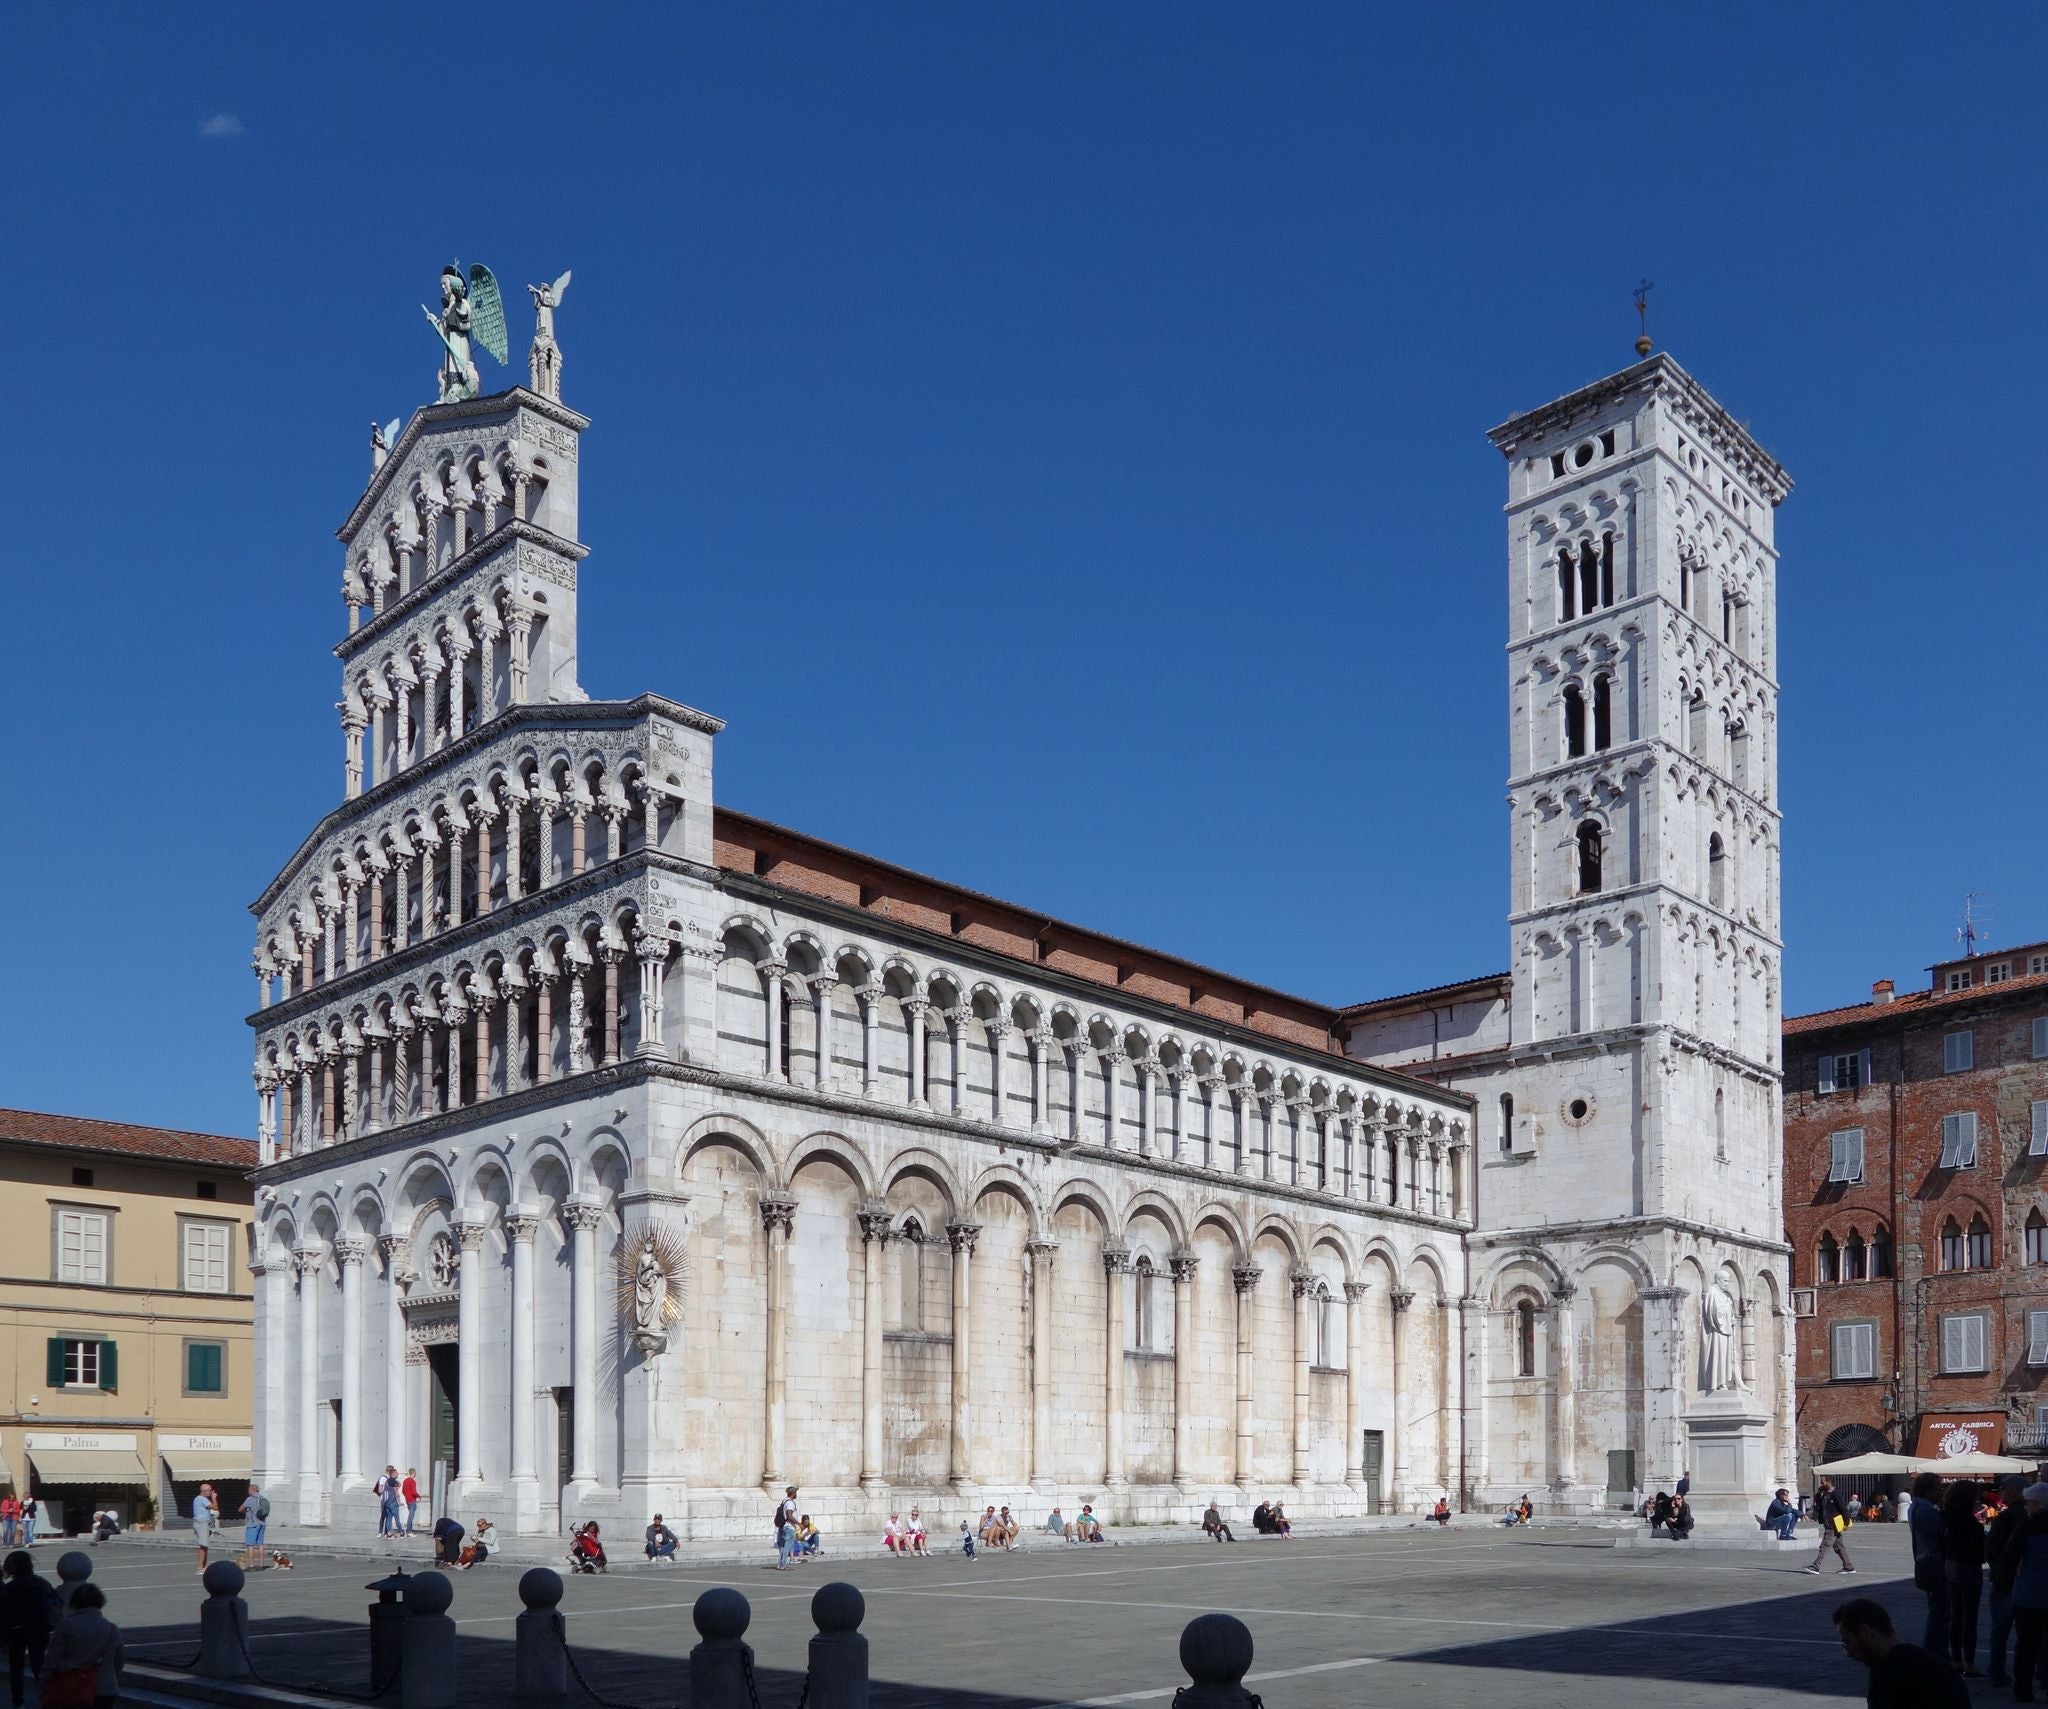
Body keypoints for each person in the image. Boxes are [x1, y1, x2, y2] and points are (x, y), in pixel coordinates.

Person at [1832, 1597, 1969, 1709]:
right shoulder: (1935, 1662)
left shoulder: (1887, 1672)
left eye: (1847, 1642)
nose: (1848, 1653)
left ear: (1865, 1632)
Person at [1998, 1481, 2048, 1700]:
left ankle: (2023, 1690)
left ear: (2036, 1505)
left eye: (2027, 1502)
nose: (2025, 1506)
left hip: (2029, 1595)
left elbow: (2008, 1559)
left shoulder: (2026, 1527)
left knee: (2026, 1644)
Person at [39, 1583, 122, 1709]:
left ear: (75, 1602)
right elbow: (119, 1659)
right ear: (100, 1601)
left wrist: (42, 1683)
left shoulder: (66, 1626)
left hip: (70, 1687)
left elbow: (52, 1660)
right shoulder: (111, 1628)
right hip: (104, 1688)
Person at [1, 1550, 54, 1709]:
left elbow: (4, 1612)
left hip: (16, 1632)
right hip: (39, 1630)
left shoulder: (10, 1587)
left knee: (16, 1668)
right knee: (39, 1665)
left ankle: (18, 1701)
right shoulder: (41, 1583)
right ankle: (46, 1698)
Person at [1942, 1480, 1986, 1676]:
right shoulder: (1971, 1523)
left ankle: (1956, 1661)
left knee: (1956, 1617)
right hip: (1969, 1570)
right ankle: (1969, 1663)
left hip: (1950, 1567)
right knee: (1970, 1618)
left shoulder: (1945, 1517)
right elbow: (1979, 1552)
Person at [1987, 1476, 2027, 1686]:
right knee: (2029, 1633)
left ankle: (1997, 1671)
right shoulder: (2029, 1516)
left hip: (2005, 1582)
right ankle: (2033, 1674)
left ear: (2015, 1492)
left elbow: (1991, 1549)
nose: (2001, 1494)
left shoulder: (2007, 1518)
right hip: (2027, 1581)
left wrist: (1999, 1569)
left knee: (2000, 1630)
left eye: (2004, 1490)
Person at [1908, 1471, 1949, 1658]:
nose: (1941, 1492)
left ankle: (1936, 1649)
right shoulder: (1924, 1509)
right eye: (1938, 1488)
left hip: (1926, 1560)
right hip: (1932, 1562)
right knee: (1939, 1611)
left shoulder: (1918, 1506)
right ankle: (1935, 1651)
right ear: (1929, 1490)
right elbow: (1940, 1532)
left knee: (1938, 1609)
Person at [1804, 1476, 1856, 1576]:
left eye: (1823, 1482)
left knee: (1825, 1544)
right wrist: (1818, 1494)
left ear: (1829, 1482)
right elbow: (1818, 1505)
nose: (1821, 1484)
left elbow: (1843, 1508)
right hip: (1828, 1523)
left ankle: (1816, 1566)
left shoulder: (1836, 1493)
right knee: (1839, 1547)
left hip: (1833, 1524)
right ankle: (1848, 1567)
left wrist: (1846, 1522)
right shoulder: (1825, 1494)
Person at [239, 1485, 269, 1570]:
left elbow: (240, 1509)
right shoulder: (263, 1498)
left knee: (250, 1545)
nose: (248, 1492)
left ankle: (251, 1565)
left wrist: (246, 1510)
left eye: (249, 1490)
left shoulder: (250, 1499)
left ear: (253, 1490)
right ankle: (261, 1565)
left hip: (252, 1524)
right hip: (262, 1523)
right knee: (260, 1544)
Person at [191, 1484, 216, 1576]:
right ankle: (200, 1567)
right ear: (203, 1491)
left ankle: (204, 1566)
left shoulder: (198, 1499)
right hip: (202, 1524)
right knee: (203, 1545)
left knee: (204, 1546)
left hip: (202, 1523)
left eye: (210, 1490)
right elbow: (215, 1507)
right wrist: (214, 1498)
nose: (210, 1492)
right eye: (209, 1490)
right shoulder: (202, 1499)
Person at [401, 1470, 420, 1537]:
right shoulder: (412, 1481)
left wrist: (407, 1496)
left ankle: (410, 1530)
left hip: (408, 1500)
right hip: (412, 1500)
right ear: (414, 1474)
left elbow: (403, 1491)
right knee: (411, 1516)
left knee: (411, 1516)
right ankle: (409, 1531)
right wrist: (418, 1496)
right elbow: (414, 1492)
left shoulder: (405, 1481)